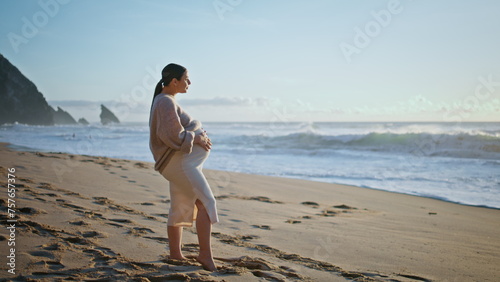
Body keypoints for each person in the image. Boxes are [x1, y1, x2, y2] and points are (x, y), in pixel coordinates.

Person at [149, 63, 219, 271]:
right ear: (174, 81)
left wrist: (196, 137)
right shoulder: (165, 102)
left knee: (180, 205)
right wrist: (196, 137)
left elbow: (173, 134)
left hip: (178, 163)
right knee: (206, 203)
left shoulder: (164, 101)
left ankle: (176, 254)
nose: (189, 83)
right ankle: (205, 256)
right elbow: (172, 136)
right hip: (179, 164)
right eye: (186, 79)